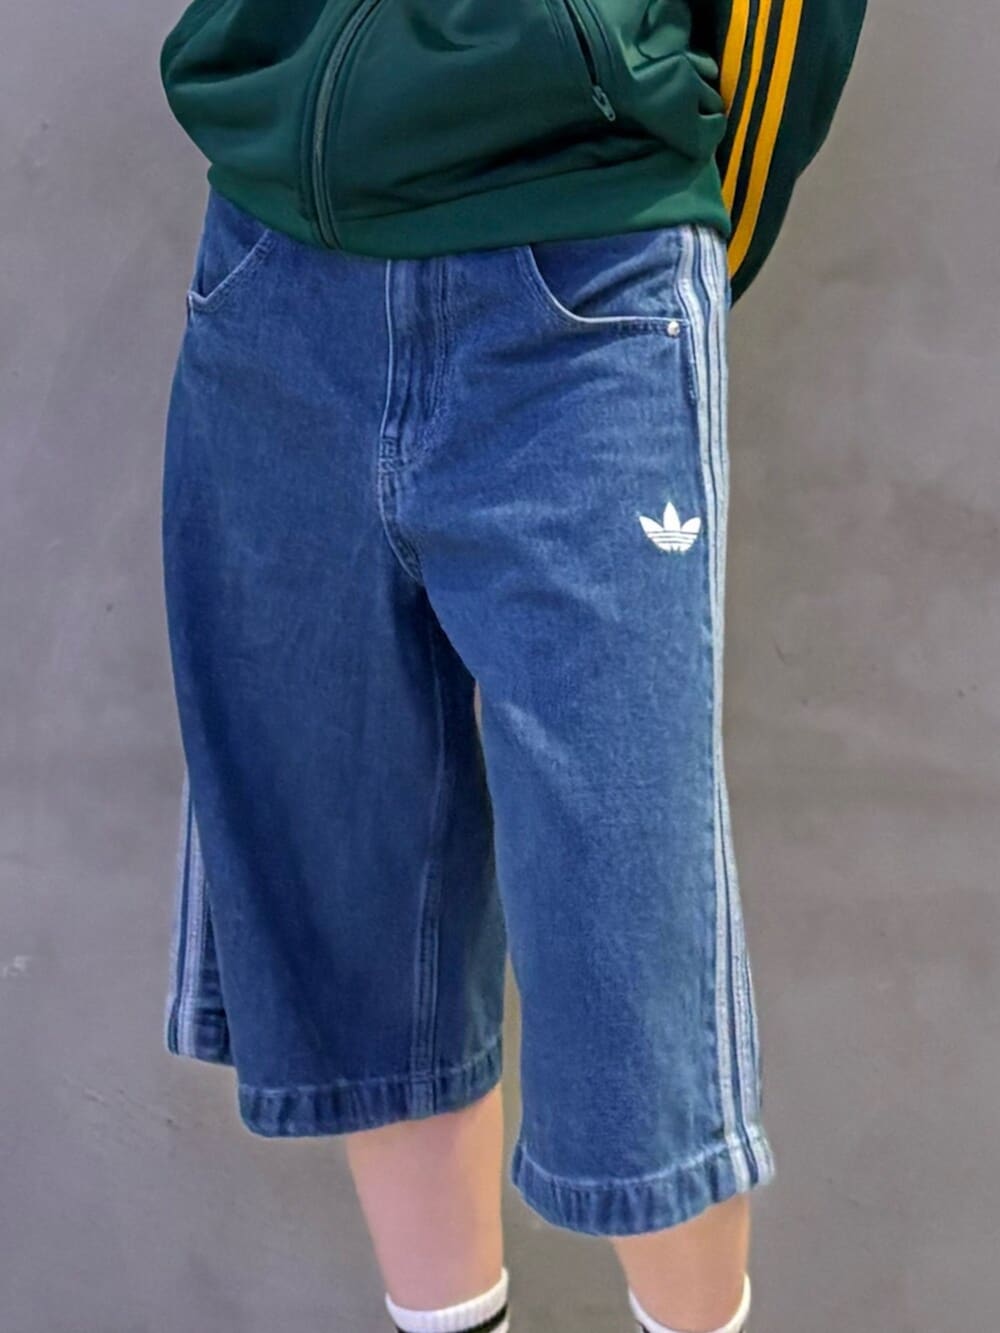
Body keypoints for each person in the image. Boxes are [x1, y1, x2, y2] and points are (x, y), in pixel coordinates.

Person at [158, 4, 866, 1332]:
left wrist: (662, 205)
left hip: (579, 267)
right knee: (356, 896)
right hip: (276, 261)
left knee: (630, 932)